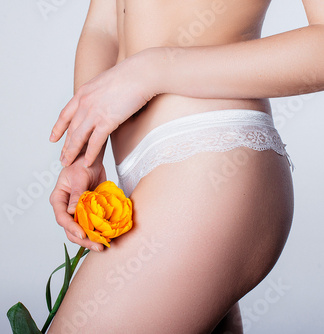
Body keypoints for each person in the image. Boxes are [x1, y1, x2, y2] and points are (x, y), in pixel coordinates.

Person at [48, 1, 322, 332]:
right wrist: (86, 154)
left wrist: (156, 69)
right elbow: (103, 27)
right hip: (155, 178)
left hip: (209, 155)